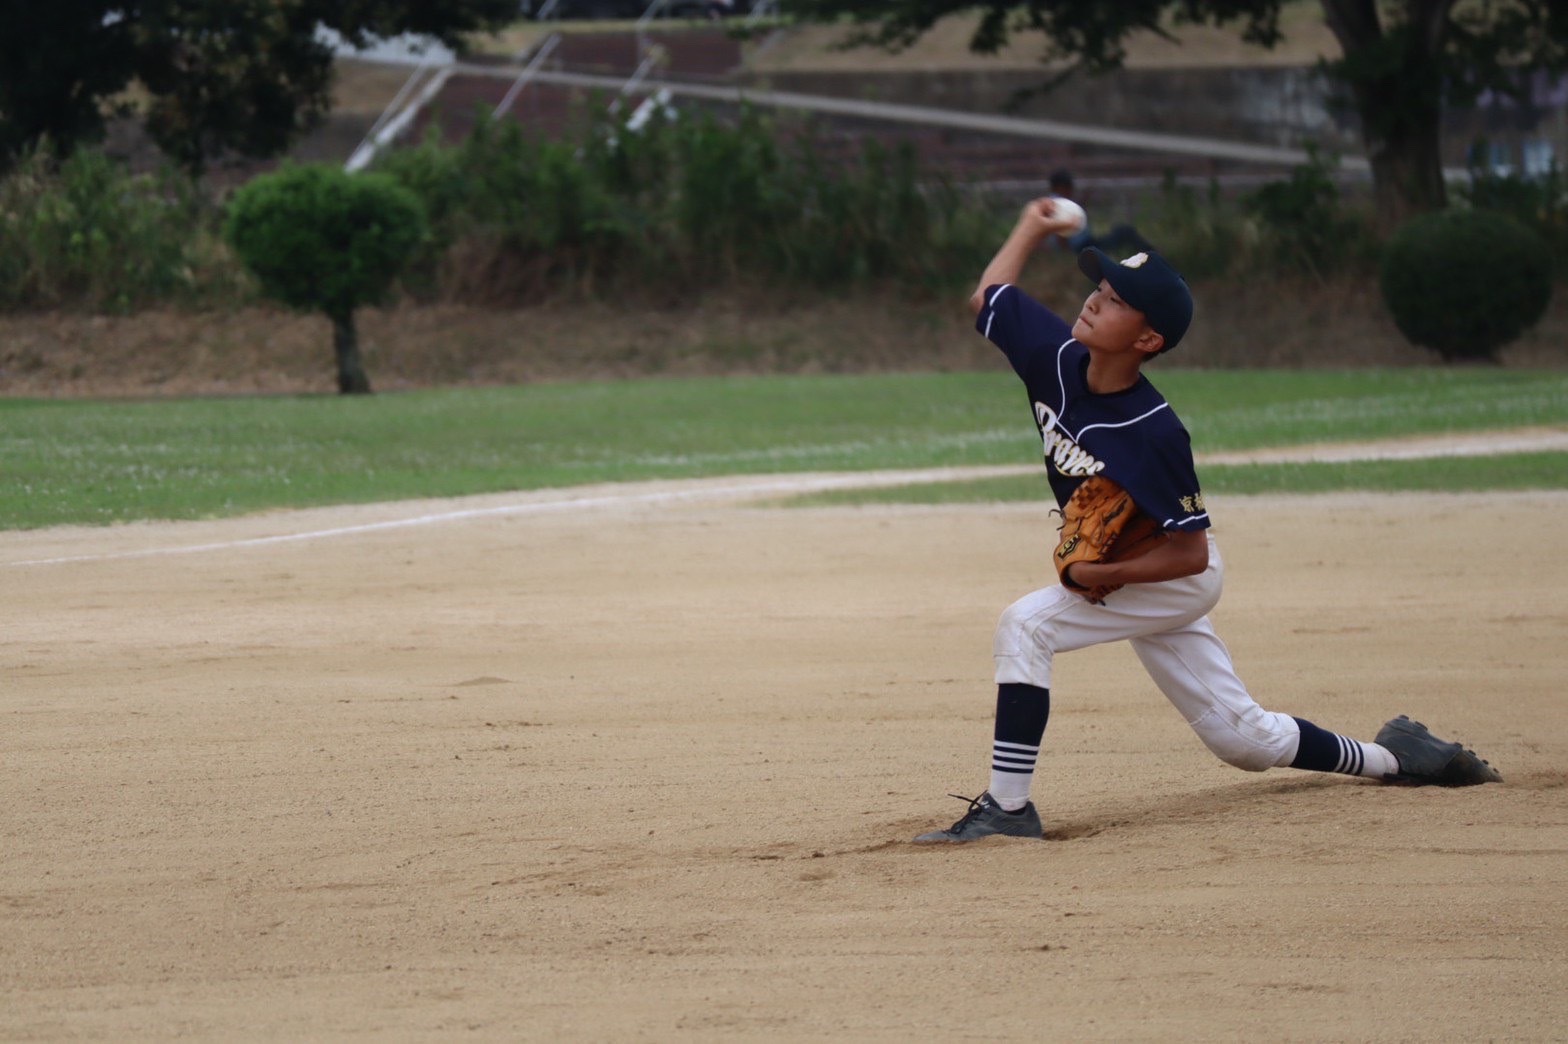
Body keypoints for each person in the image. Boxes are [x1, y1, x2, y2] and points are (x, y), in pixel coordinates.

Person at [913, 198, 1501, 844]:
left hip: (1171, 573)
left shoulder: (1154, 432)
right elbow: (989, 297)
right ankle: (1402, 757)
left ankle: (1008, 807)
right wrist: (1032, 222)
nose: (1093, 301)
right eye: (1099, 289)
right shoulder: (1052, 358)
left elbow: (1190, 556)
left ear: (1147, 340)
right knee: (1242, 739)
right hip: (1135, 572)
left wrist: (1106, 571)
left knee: (1026, 625)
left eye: (1114, 300)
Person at [1046, 169, 1151, 257]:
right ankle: (1151, 254)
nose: (1071, 190)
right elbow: (1060, 233)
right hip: (1083, 249)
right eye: (1069, 187)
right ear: (1060, 187)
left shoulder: (1053, 202)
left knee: (1120, 232)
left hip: (1086, 245)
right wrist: (1069, 256)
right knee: (1124, 231)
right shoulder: (1060, 205)